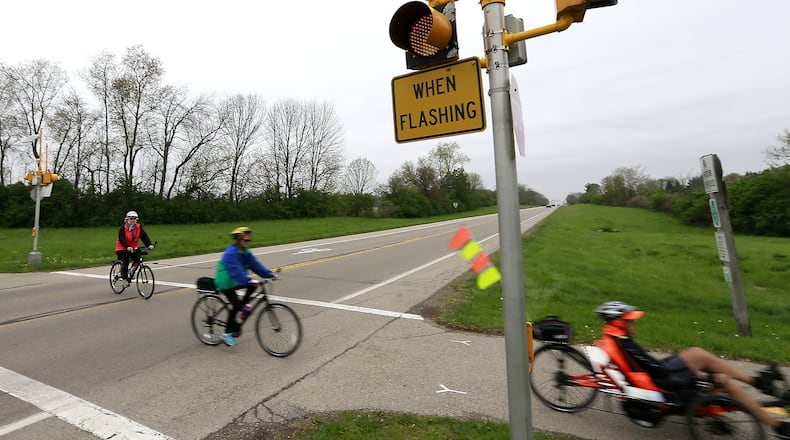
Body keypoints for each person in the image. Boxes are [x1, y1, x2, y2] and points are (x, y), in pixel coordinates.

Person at [595, 301, 790, 439]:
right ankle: (778, 426)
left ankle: (757, 381)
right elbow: (654, 370)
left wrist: (676, 361)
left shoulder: (618, 338)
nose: (634, 322)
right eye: (630, 320)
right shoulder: (624, 343)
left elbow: (647, 364)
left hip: (658, 374)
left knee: (698, 354)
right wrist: (696, 377)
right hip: (663, 382)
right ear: (620, 322)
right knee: (724, 382)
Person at [215, 226, 276, 346]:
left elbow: (255, 265)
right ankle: (226, 333)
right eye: (246, 240)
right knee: (236, 306)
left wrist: (269, 274)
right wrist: (248, 280)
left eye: (249, 240)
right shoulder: (231, 253)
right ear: (238, 239)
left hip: (236, 280)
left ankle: (244, 306)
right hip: (225, 282)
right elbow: (236, 271)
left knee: (253, 286)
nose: (248, 243)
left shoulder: (245, 251)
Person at [115, 210, 154, 287]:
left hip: (132, 248)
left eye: (134, 219)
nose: (133, 220)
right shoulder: (123, 228)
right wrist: (127, 246)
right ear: (127, 219)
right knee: (125, 261)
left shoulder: (138, 227)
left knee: (137, 259)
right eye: (131, 218)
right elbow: (121, 239)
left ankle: (130, 272)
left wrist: (149, 244)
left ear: (136, 220)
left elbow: (144, 236)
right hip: (122, 248)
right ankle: (125, 279)